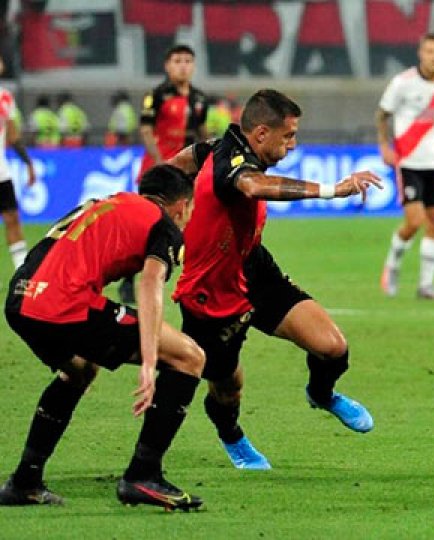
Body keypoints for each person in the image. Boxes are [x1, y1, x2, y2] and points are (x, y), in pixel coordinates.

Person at [165, 89, 382, 470]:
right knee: (227, 388)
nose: (293, 145)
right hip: (211, 292)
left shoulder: (220, 147)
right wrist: (334, 190)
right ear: (262, 133)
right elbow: (253, 186)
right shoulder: (235, 167)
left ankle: (321, 393)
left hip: (254, 269)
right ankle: (231, 435)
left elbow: (182, 161)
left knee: (333, 348)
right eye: (289, 136)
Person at [1, 165, 206, 509]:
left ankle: (25, 481)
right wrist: (150, 359)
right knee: (188, 356)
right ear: (181, 206)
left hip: (20, 300)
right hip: (62, 305)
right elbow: (151, 282)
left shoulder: (107, 203)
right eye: (190, 211)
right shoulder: (164, 225)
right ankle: (143, 475)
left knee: (81, 369)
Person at [119, 44, 207, 305]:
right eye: (177, 60)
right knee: (145, 226)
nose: (183, 66)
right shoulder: (156, 95)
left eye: (188, 61)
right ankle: (127, 280)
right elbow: (146, 130)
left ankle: (187, 276)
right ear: (167, 66)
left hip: (187, 171)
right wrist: (160, 163)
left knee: (191, 222)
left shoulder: (200, 99)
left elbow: (202, 133)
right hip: (158, 171)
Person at [376, 33, 434, 301]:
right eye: (429, 51)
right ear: (420, 54)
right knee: (414, 221)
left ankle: (426, 285)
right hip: (409, 162)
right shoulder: (402, 83)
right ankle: (393, 264)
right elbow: (382, 114)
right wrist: (384, 147)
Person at [0, 58, 38, 269]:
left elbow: (12, 136)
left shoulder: (5, 97)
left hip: (1, 172)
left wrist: (28, 164)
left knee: (12, 218)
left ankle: (20, 272)